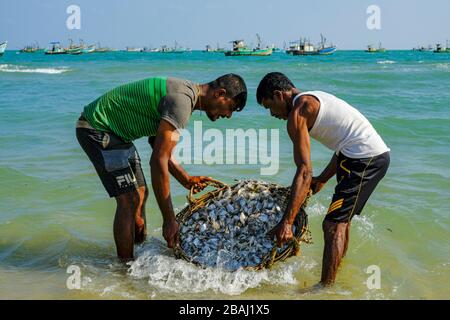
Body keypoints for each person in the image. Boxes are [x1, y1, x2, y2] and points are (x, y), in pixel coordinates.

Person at [76, 74, 247, 261]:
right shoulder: (182, 102)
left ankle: (136, 254)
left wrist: (186, 179)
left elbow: (156, 144)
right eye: (231, 108)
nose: (228, 115)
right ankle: (123, 270)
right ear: (220, 94)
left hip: (119, 135)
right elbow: (158, 161)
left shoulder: (185, 96)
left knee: (141, 194)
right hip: (97, 128)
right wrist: (169, 219)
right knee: (129, 200)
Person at [256, 72, 390, 286]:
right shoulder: (312, 97)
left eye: (269, 106)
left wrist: (287, 223)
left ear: (279, 95)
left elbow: (304, 171)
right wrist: (323, 179)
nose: (272, 114)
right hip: (359, 157)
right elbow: (346, 143)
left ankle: (325, 288)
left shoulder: (298, 112)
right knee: (341, 223)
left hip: (365, 160)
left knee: (333, 225)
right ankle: (335, 274)